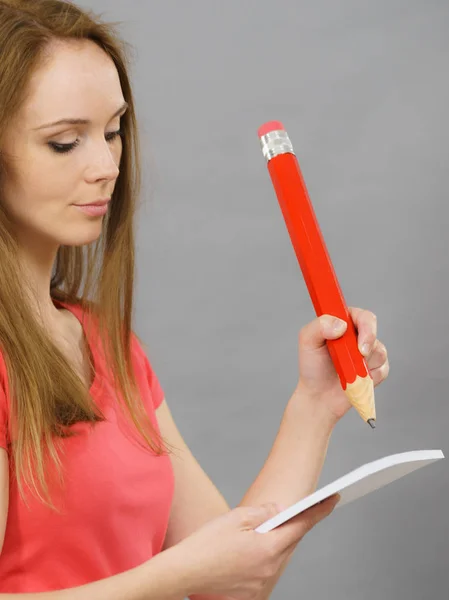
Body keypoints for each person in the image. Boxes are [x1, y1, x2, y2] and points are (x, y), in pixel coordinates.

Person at [0, 1, 390, 598]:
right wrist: (179, 573)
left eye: (112, 132)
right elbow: (199, 572)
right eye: (63, 143)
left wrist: (316, 404)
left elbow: (234, 583)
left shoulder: (109, 344)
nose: (106, 165)